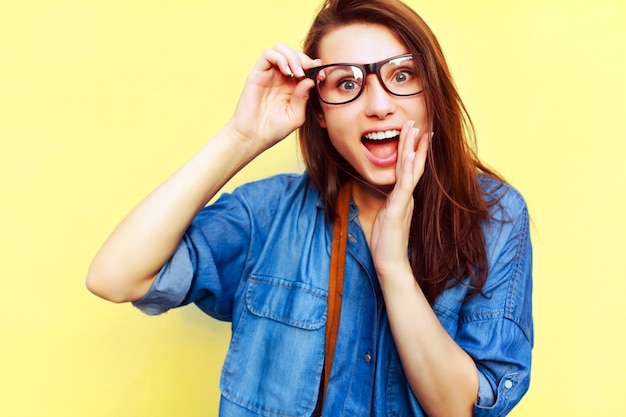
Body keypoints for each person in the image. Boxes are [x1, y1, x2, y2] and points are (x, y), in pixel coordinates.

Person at [86, 0, 533, 415]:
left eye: (401, 76)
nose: (378, 106)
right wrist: (242, 136)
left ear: (431, 92)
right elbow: (114, 277)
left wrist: (393, 267)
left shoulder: (496, 217)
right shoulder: (269, 213)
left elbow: (459, 408)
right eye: (346, 83)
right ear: (318, 111)